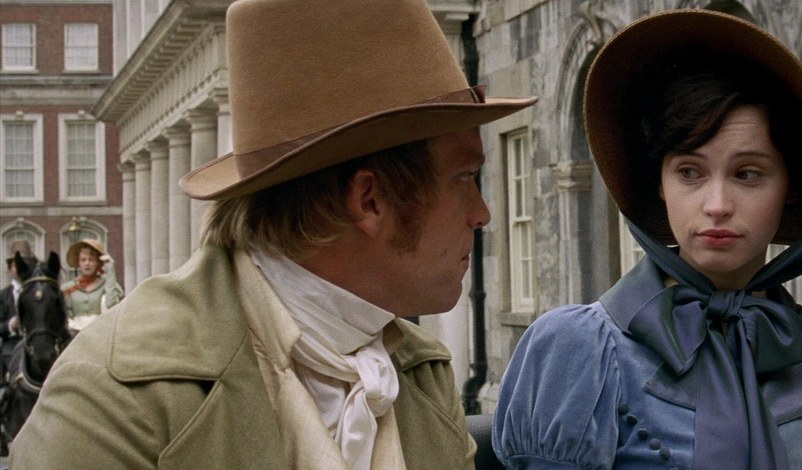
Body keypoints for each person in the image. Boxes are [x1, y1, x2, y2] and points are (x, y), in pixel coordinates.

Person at [10, 0, 536, 468]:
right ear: (370, 200)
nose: (483, 213)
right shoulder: (119, 397)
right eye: (464, 178)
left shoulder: (421, 372)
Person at [493, 9, 802, 470]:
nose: (717, 204)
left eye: (747, 174)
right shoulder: (577, 353)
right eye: (690, 172)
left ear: (789, 187)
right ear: (660, 183)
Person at [60, 238, 125, 331]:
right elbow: (64, 317)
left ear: (98, 263)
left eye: (91, 260)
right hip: (75, 335)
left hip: (102, 332)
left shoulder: (108, 285)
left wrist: (110, 271)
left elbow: (112, 306)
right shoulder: (68, 288)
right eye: (83, 260)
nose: (87, 263)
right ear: (78, 263)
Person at [0, 241, 37, 381]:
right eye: (17, 265)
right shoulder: (3, 296)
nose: (21, 269)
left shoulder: (38, 292)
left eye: (24, 264)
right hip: (11, 346)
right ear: (10, 269)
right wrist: (10, 325)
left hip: (35, 344)